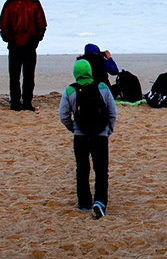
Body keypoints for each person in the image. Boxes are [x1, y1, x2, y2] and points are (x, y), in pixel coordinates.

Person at [58, 59, 117, 219]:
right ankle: (100, 203)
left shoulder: (70, 90)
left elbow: (63, 115)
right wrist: (108, 130)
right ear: (90, 71)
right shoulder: (103, 87)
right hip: (101, 135)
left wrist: (74, 128)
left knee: (82, 170)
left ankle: (84, 203)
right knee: (101, 171)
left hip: (80, 136)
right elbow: (112, 112)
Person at [0, 0, 47, 111]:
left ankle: (15, 103)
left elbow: (3, 25)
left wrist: (8, 39)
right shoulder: (35, 3)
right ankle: (27, 103)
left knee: (14, 77)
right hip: (30, 46)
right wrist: (37, 39)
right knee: (29, 76)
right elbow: (42, 25)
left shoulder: (9, 3)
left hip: (14, 46)